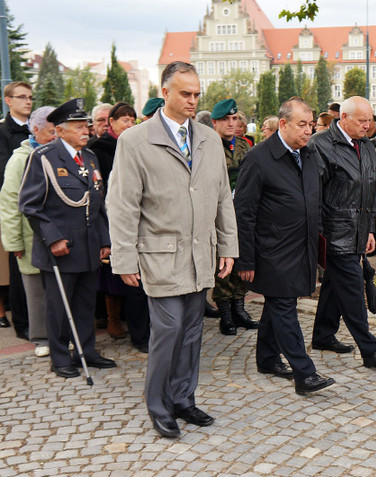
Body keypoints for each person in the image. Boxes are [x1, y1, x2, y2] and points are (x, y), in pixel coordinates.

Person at [106, 61, 238, 438]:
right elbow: (123, 205)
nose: (193, 101)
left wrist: (228, 245)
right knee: (170, 328)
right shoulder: (135, 140)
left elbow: (221, 198)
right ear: (165, 92)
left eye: (197, 94)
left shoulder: (209, 138)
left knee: (194, 330)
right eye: (185, 93)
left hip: (201, 254)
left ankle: (184, 398)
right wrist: (124, 258)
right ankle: (158, 405)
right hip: (159, 255)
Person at [234, 97, 335, 395]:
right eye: (301, 125)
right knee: (284, 306)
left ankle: (266, 358)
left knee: (277, 306)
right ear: (282, 124)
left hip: (301, 245)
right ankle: (305, 373)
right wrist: (245, 259)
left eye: (311, 125)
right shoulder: (258, 158)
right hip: (271, 249)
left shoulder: (309, 154)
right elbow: (243, 212)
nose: (308, 131)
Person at [18, 98, 116, 379]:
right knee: (59, 307)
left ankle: (86, 350)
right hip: (61, 249)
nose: (85, 130)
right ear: (59, 131)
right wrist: (53, 239)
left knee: (85, 303)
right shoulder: (43, 158)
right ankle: (60, 356)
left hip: (88, 247)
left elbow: (98, 203)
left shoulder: (90, 157)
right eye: (77, 126)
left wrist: (104, 240)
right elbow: (29, 205)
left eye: (85, 125)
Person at [309, 96, 376, 369]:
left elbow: (370, 191)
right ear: (343, 118)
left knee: (335, 284)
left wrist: (370, 228)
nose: (368, 126)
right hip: (333, 232)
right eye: (362, 120)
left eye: (370, 120)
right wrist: (319, 234)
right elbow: (314, 194)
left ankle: (323, 334)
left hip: (358, 229)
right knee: (352, 287)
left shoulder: (368, 147)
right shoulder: (320, 144)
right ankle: (370, 349)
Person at [88, 102, 152, 352]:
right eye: (123, 120)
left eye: (131, 120)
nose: (128, 124)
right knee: (125, 279)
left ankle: (142, 328)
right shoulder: (97, 148)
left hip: (141, 219)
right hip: (113, 218)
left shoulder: (137, 146)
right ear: (111, 122)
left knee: (141, 280)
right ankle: (131, 329)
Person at [0, 106, 55, 357]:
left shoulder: (55, 154)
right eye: (51, 131)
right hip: (30, 237)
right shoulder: (20, 159)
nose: (55, 136)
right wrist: (14, 242)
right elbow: (9, 202)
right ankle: (41, 337)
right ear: (35, 130)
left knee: (57, 288)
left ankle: (60, 334)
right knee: (35, 291)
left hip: (56, 235)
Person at [210, 98, 258, 335]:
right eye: (225, 120)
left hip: (243, 211)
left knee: (243, 256)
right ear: (214, 123)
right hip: (218, 212)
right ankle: (225, 315)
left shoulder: (245, 145)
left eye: (234, 118)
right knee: (223, 262)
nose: (231, 123)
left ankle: (240, 308)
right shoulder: (207, 146)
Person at [0, 81, 33, 334]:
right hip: (17, 209)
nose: (28, 101)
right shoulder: (3, 133)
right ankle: (23, 324)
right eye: (22, 97)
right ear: (8, 101)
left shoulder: (37, 128)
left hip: (39, 208)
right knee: (19, 268)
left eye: (30, 97)